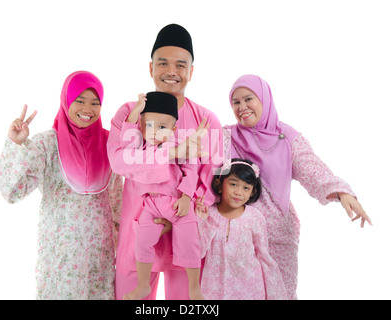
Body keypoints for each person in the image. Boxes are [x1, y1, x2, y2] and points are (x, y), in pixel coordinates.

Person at [223, 74, 372, 299]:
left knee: (281, 293)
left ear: (264, 99)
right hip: (237, 235)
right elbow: (199, 161)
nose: (242, 107)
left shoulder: (287, 138)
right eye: (236, 102)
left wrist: (342, 192)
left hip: (278, 235)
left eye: (248, 99)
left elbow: (311, 168)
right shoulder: (225, 136)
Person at [107, 24, 223, 300]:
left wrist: (179, 210)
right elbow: (120, 161)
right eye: (163, 63)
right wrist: (170, 154)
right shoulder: (130, 114)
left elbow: (213, 177)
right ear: (150, 68)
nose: (172, 71)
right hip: (139, 226)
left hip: (184, 230)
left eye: (180, 65)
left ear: (191, 71)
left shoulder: (207, 120)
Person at [0, 71, 123, 299]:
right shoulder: (47, 143)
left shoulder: (109, 143)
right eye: (80, 100)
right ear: (66, 101)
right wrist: (16, 145)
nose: (88, 109)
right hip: (61, 257)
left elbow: (117, 201)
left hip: (100, 256)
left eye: (95, 103)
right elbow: (13, 193)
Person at [120, 92, 203, 300]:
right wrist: (136, 113)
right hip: (151, 205)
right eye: (149, 126)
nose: (155, 132)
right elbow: (127, 147)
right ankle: (142, 286)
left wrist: (186, 198)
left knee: (189, 243)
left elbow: (191, 170)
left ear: (174, 129)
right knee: (142, 242)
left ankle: (194, 288)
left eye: (162, 127)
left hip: (177, 204)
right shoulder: (143, 146)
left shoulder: (180, 145)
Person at [195, 158, 288, 300]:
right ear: (220, 185)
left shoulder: (255, 217)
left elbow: (263, 255)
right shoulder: (209, 214)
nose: (239, 192)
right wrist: (201, 220)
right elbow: (198, 252)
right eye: (233, 184)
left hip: (250, 287)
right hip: (214, 288)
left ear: (252, 192)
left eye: (246, 188)